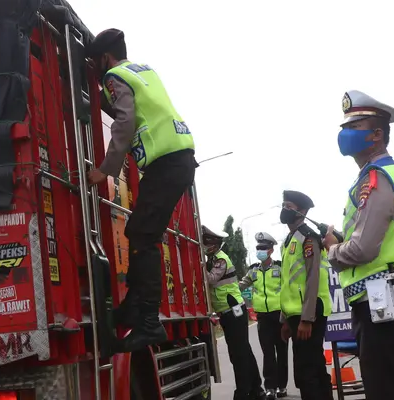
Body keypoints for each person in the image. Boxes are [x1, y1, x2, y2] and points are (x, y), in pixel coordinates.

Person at [85, 29, 197, 353]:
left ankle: (148, 322)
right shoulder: (143, 71)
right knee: (140, 231)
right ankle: (135, 307)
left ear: (104, 58)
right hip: (177, 161)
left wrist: (104, 170)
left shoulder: (113, 76)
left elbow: (124, 121)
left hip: (167, 164)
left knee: (143, 236)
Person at [322, 90, 394, 400]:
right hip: (388, 303)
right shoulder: (382, 176)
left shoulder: (377, 178)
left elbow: (362, 250)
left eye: (354, 128)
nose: (344, 134)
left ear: (377, 135)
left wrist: (333, 249)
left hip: (384, 307)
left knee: (389, 390)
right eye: (344, 128)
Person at [278, 191, 333, 400]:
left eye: (288, 206)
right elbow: (287, 283)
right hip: (295, 315)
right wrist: (285, 320)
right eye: (283, 205)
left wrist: (307, 319)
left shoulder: (309, 238)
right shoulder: (289, 240)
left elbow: (313, 278)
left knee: (307, 372)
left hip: (309, 312)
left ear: (301, 212)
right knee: (312, 369)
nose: (284, 209)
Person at [203, 226, 266, 400]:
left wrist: (197, 263)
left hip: (234, 311)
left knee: (238, 354)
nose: (204, 246)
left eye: (206, 242)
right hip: (228, 312)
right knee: (243, 351)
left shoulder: (220, 260)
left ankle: (243, 392)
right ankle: (256, 389)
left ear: (214, 244)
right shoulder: (213, 259)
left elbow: (210, 279)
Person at [240, 232, 289, 399]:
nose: (260, 250)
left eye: (263, 248)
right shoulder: (253, 271)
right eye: (258, 248)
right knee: (268, 353)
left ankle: (282, 386)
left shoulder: (280, 268)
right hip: (263, 318)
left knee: (281, 353)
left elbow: (287, 289)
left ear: (271, 250)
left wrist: (287, 314)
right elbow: (241, 285)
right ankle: (270, 388)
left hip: (280, 316)